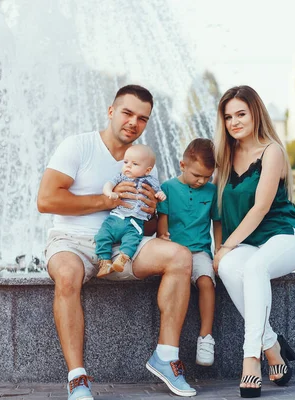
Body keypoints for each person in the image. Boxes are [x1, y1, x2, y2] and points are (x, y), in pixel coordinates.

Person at [37, 84, 197, 399]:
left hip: (124, 244)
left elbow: (147, 225)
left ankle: (165, 357)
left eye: (142, 118)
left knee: (180, 257)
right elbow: (46, 200)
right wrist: (106, 201)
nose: (133, 122)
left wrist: (151, 212)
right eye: (127, 113)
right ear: (111, 111)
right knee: (67, 276)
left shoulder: (143, 161)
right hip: (71, 241)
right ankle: (78, 379)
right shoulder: (78, 146)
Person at [212, 85, 295, 398]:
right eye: (228, 116)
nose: (234, 122)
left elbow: (261, 207)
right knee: (227, 267)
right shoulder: (225, 157)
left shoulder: (272, 151)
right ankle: (272, 345)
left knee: (253, 269)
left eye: (241, 114)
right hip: (249, 243)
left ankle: (251, 359)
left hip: (284, 236)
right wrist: (220, 250)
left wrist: (227, 245)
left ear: (256, 114)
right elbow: (218, 214)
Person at [156, 138, 221, 367]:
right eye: (197, 175)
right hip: (174, 253)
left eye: (207, 176)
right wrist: (163, 238)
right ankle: (170, 345)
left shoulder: (212, 191)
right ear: (182, 166)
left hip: (200, 251)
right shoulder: (167, 189)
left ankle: (206, 337)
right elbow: (162, 222)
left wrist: (219, 250)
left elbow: (217, 221)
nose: (202, 181)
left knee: (206, 282)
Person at [95, 144, 166, 277]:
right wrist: (109, 192)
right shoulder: (121, 177)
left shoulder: (151, 181)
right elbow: (108, 184)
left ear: (147, 170)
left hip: (135, 222)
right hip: (116, 218)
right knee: (102, 236)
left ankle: (122, 260)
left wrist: (160, 195)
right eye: (126, 162)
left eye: (134, 164)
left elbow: (159, 192)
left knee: (132, 240)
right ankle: (105, 262)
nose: (128, 166)